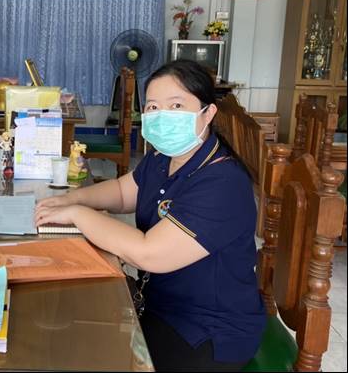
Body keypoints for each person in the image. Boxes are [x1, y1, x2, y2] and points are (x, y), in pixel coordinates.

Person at [35, 59, 266, 371]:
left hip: (207, 329)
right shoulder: (162, 158)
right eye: (154, 107)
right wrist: (71, 198)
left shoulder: (223, 183)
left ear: (208, 113)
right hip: (159, 304)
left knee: (89, 352)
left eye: (176, 105)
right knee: (64, 321)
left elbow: (149, 253)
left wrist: (78, 215)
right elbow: (120, 192)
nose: (162, 116)